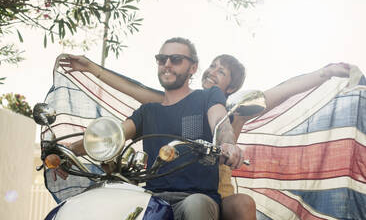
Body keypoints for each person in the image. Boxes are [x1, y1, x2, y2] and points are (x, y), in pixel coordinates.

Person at [60, 51, 351, 220]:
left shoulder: (233, 111)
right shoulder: (173, 102)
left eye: (221, 72)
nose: (212, 72)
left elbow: (277, 93)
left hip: (212, 194)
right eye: (212, 66)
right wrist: (92, 69)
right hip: (161, 189)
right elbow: (132, 91)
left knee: (242, 205)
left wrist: (322, 74)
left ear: (231, 88)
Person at [64, 37, 245, 220]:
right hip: (152, 200)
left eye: (176, 59)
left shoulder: (207, 97)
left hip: (194, 198)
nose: (167, 64)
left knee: (196, 205)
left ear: (193, 68)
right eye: (161, 59)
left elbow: (219, 120)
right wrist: (68, 152)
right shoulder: (147, 111)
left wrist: (228, 143)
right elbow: (109, 137)